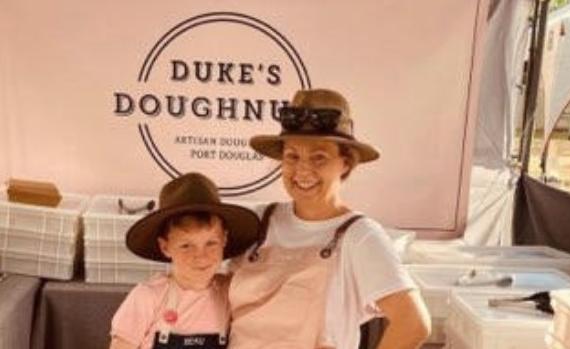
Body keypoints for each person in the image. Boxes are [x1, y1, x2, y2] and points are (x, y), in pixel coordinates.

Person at [228, 89, 431, 349]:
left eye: (319, 157)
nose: (303, 169)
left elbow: (412, 322)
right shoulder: (258, 222)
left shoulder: (360, 236)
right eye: (292, 156)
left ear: (345, 163)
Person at [109, 173, 260, 349]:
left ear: (224, 240)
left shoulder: (232, 294)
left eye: (211, 243)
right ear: (165, 247)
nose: (200, 256)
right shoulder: (147, 297)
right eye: (186, 246)